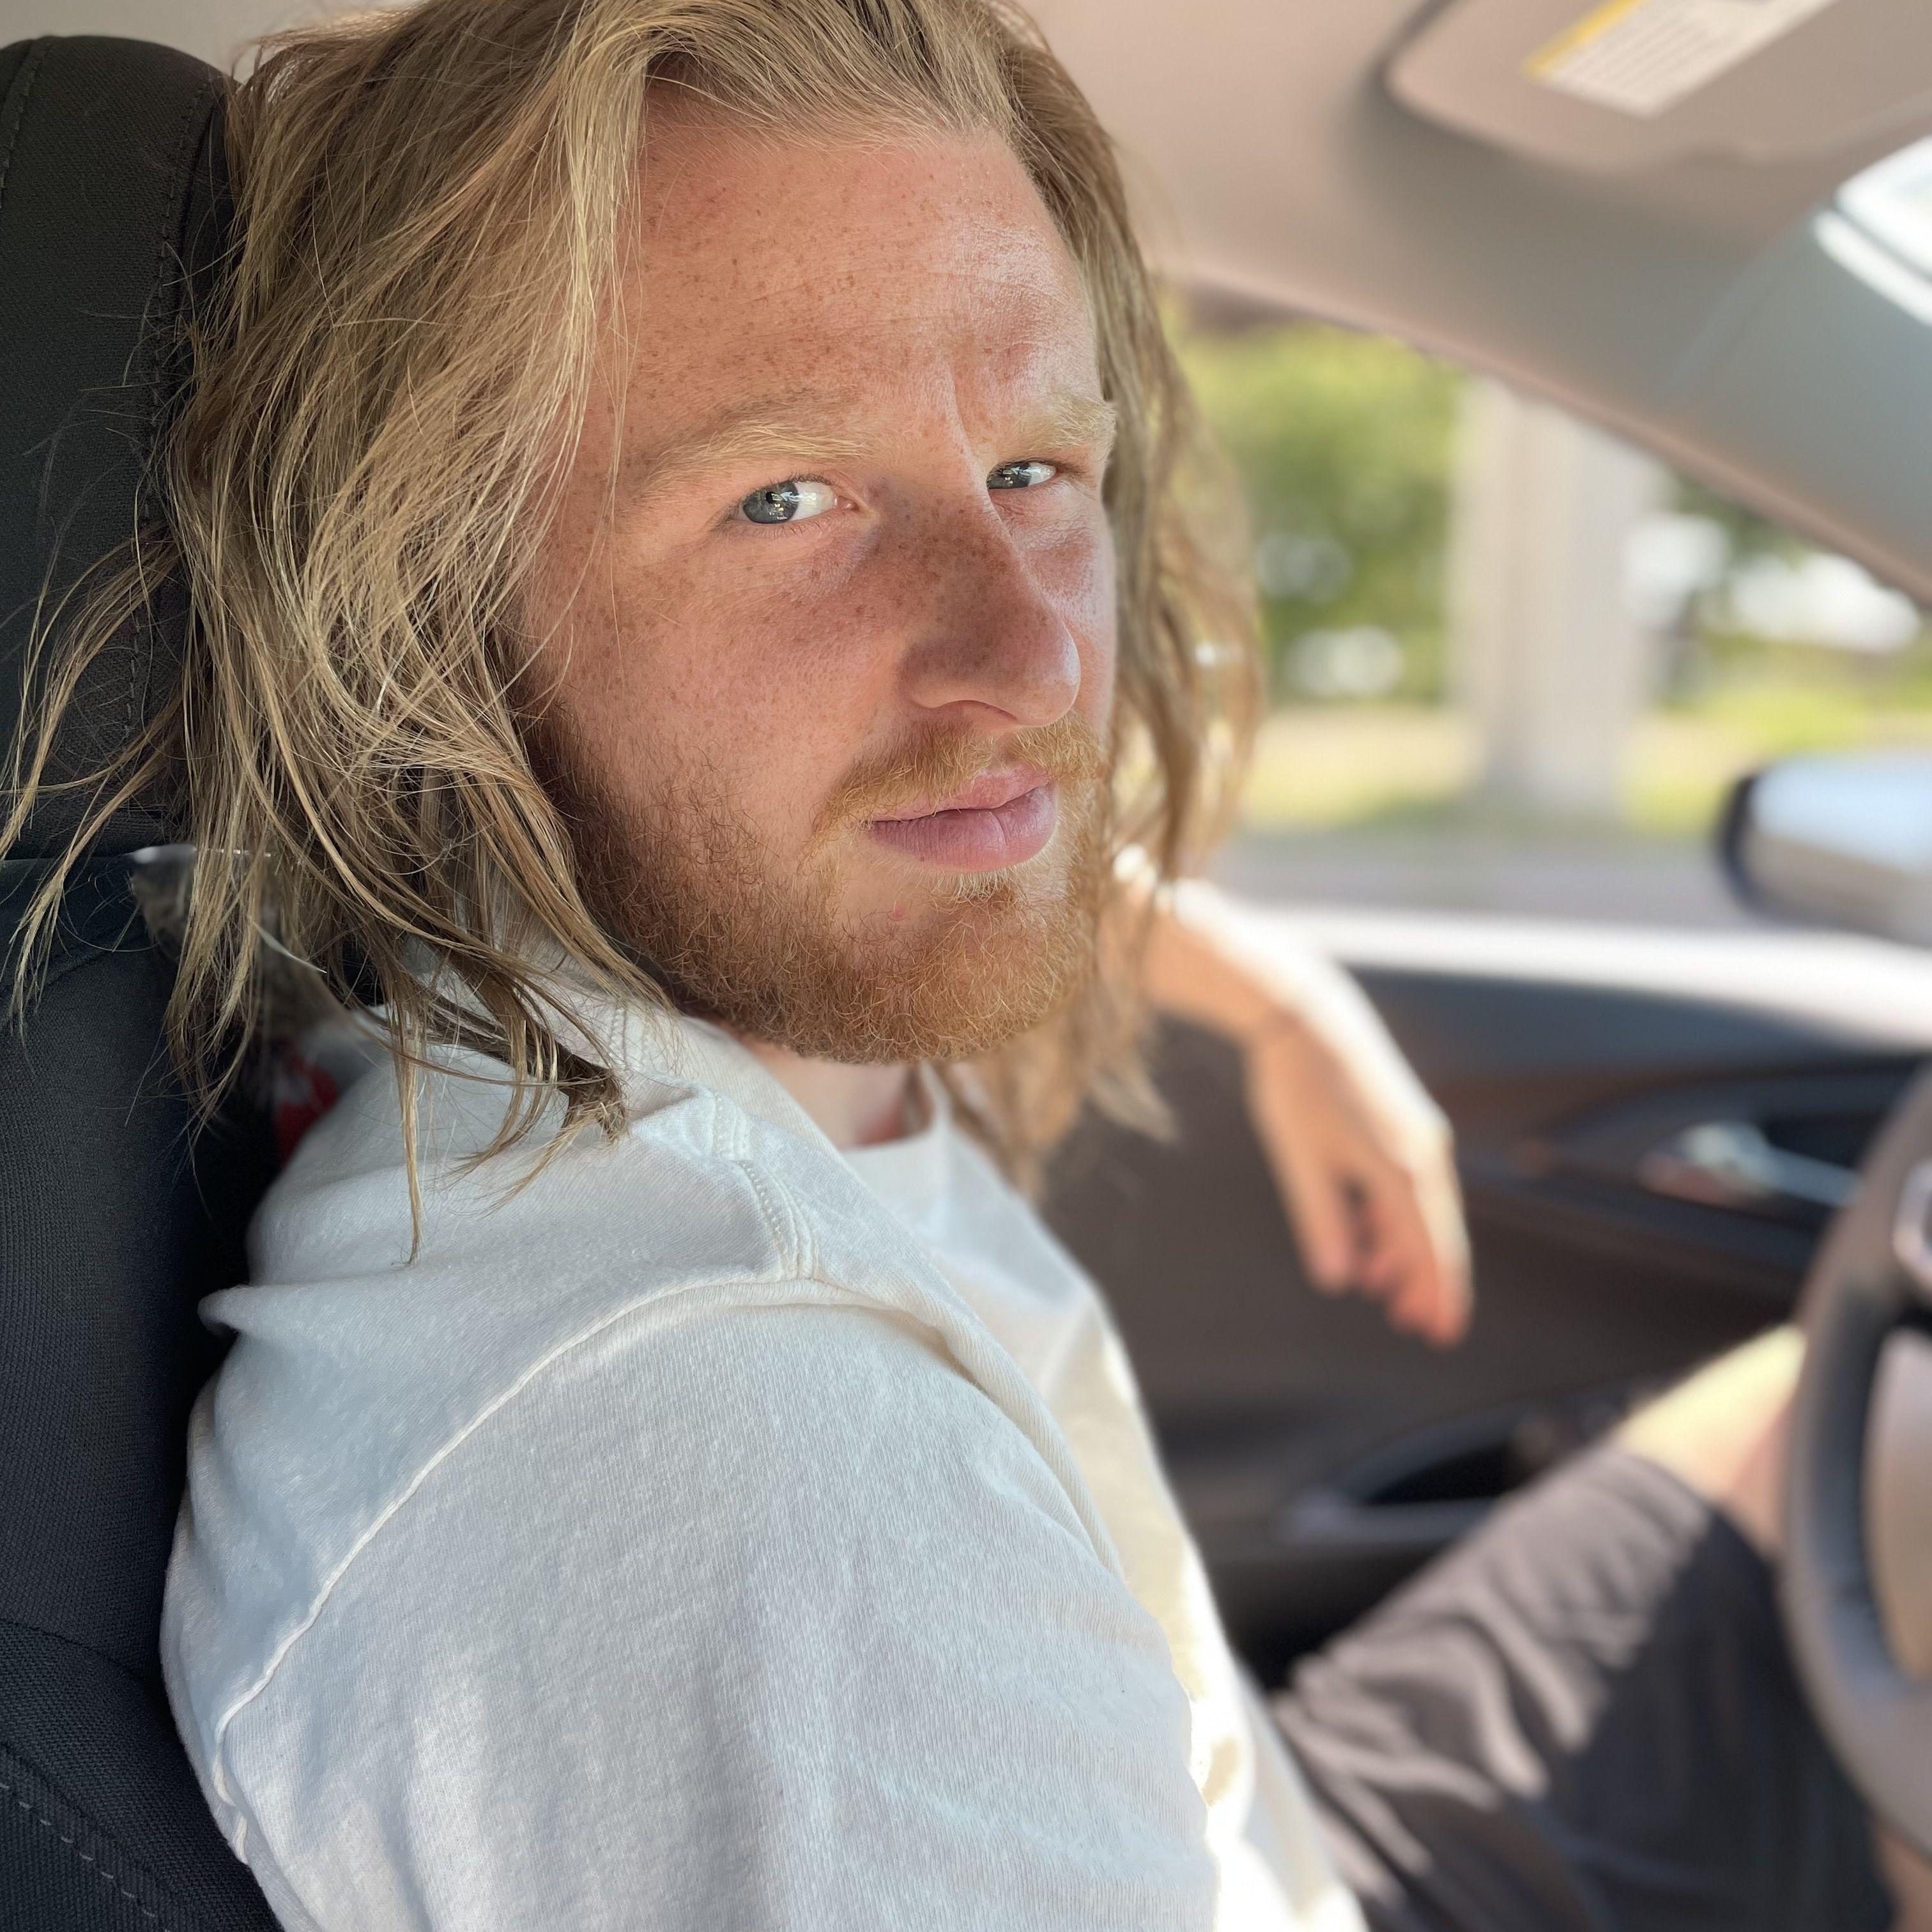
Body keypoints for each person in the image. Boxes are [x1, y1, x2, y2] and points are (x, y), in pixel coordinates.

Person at [3, 2, 1921, 1926]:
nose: (1030, 659)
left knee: (1799, 1419)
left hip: (1263, 1837)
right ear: (422, 601)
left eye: (1031, 471)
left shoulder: (527, 998)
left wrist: (1256, 988)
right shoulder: (767, 1486)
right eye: (787, 500)